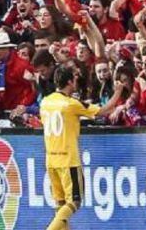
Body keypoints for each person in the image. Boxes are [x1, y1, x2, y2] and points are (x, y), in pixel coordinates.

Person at [40, 62, 123, 230]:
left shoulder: (46, 102)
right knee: (74, 202)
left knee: (61, 204)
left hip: (51, 160)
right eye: (75, 79)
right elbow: (103, 111)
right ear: (70, 82)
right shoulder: (71, 104)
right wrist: (118, 92)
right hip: (68, 159)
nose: (76, 82)